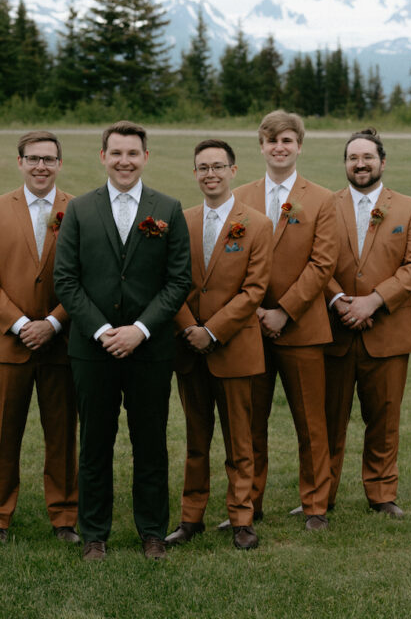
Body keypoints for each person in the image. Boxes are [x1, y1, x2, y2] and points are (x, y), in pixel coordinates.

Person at [53, 121, 191, 562]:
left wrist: (140, 330)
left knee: (150, 441)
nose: (124, 161)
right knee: (95, 442)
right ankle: (94, 533)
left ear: (146, 158)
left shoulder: (168, 209)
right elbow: (66, 279)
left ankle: (152, 532)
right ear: (103, 157)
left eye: (133, 153)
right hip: (92, 349)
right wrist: (101, 331)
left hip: (150, 349)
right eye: (116, 153)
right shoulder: (79, 209)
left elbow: (178, 281)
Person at [0, 130, 78, 543]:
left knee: (63, 433)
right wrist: (20, 324)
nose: (40, 166)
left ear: (59, 164)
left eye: (49, 159)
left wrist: (51, 322)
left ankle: (64, 516)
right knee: (3, 435)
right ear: (20, 163)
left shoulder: (78, 208)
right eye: (33, 159)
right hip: (6, 343)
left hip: (62, 342)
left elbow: (85, 278)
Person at [234, 110, 338, 531]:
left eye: (288, 140)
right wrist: (256, 310)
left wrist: (284, 310)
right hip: (250, 328)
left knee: (311, 422)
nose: (279, 147)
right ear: (261, 146)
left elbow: (323, 262)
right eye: (272, 140)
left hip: (303, 326)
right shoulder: (240, 196)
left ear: (299, 147)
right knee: (250, 423)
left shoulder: (322, 198)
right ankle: (249, 503)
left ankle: (316, 505)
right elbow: (234, 261)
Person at [166, 139, 271, 551]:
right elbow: (171, 282)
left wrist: (212, 331)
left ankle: (241, 517)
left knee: (239, 442)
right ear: (194, 174)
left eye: (218, 166)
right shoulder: (180, 220)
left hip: (235, 348)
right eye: (203, 167)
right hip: (188, 349)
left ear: (233, 170)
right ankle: (191, 517)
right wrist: (190, 328)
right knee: (196, 440)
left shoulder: (259, 224)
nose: (211, 174)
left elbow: (255, 289)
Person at [324, 128, 411, 517]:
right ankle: (322, 494)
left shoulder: (409, 208)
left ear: (382, 162)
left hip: (387, 332)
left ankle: (382, 494)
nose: (360, 164)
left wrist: (373, 301)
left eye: (368, 157)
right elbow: (315, 260)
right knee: (328, 418)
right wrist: (338, 300)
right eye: (353, 157)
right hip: (334, 330)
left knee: (384, 419)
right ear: (346, 163)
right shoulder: (325, 205)